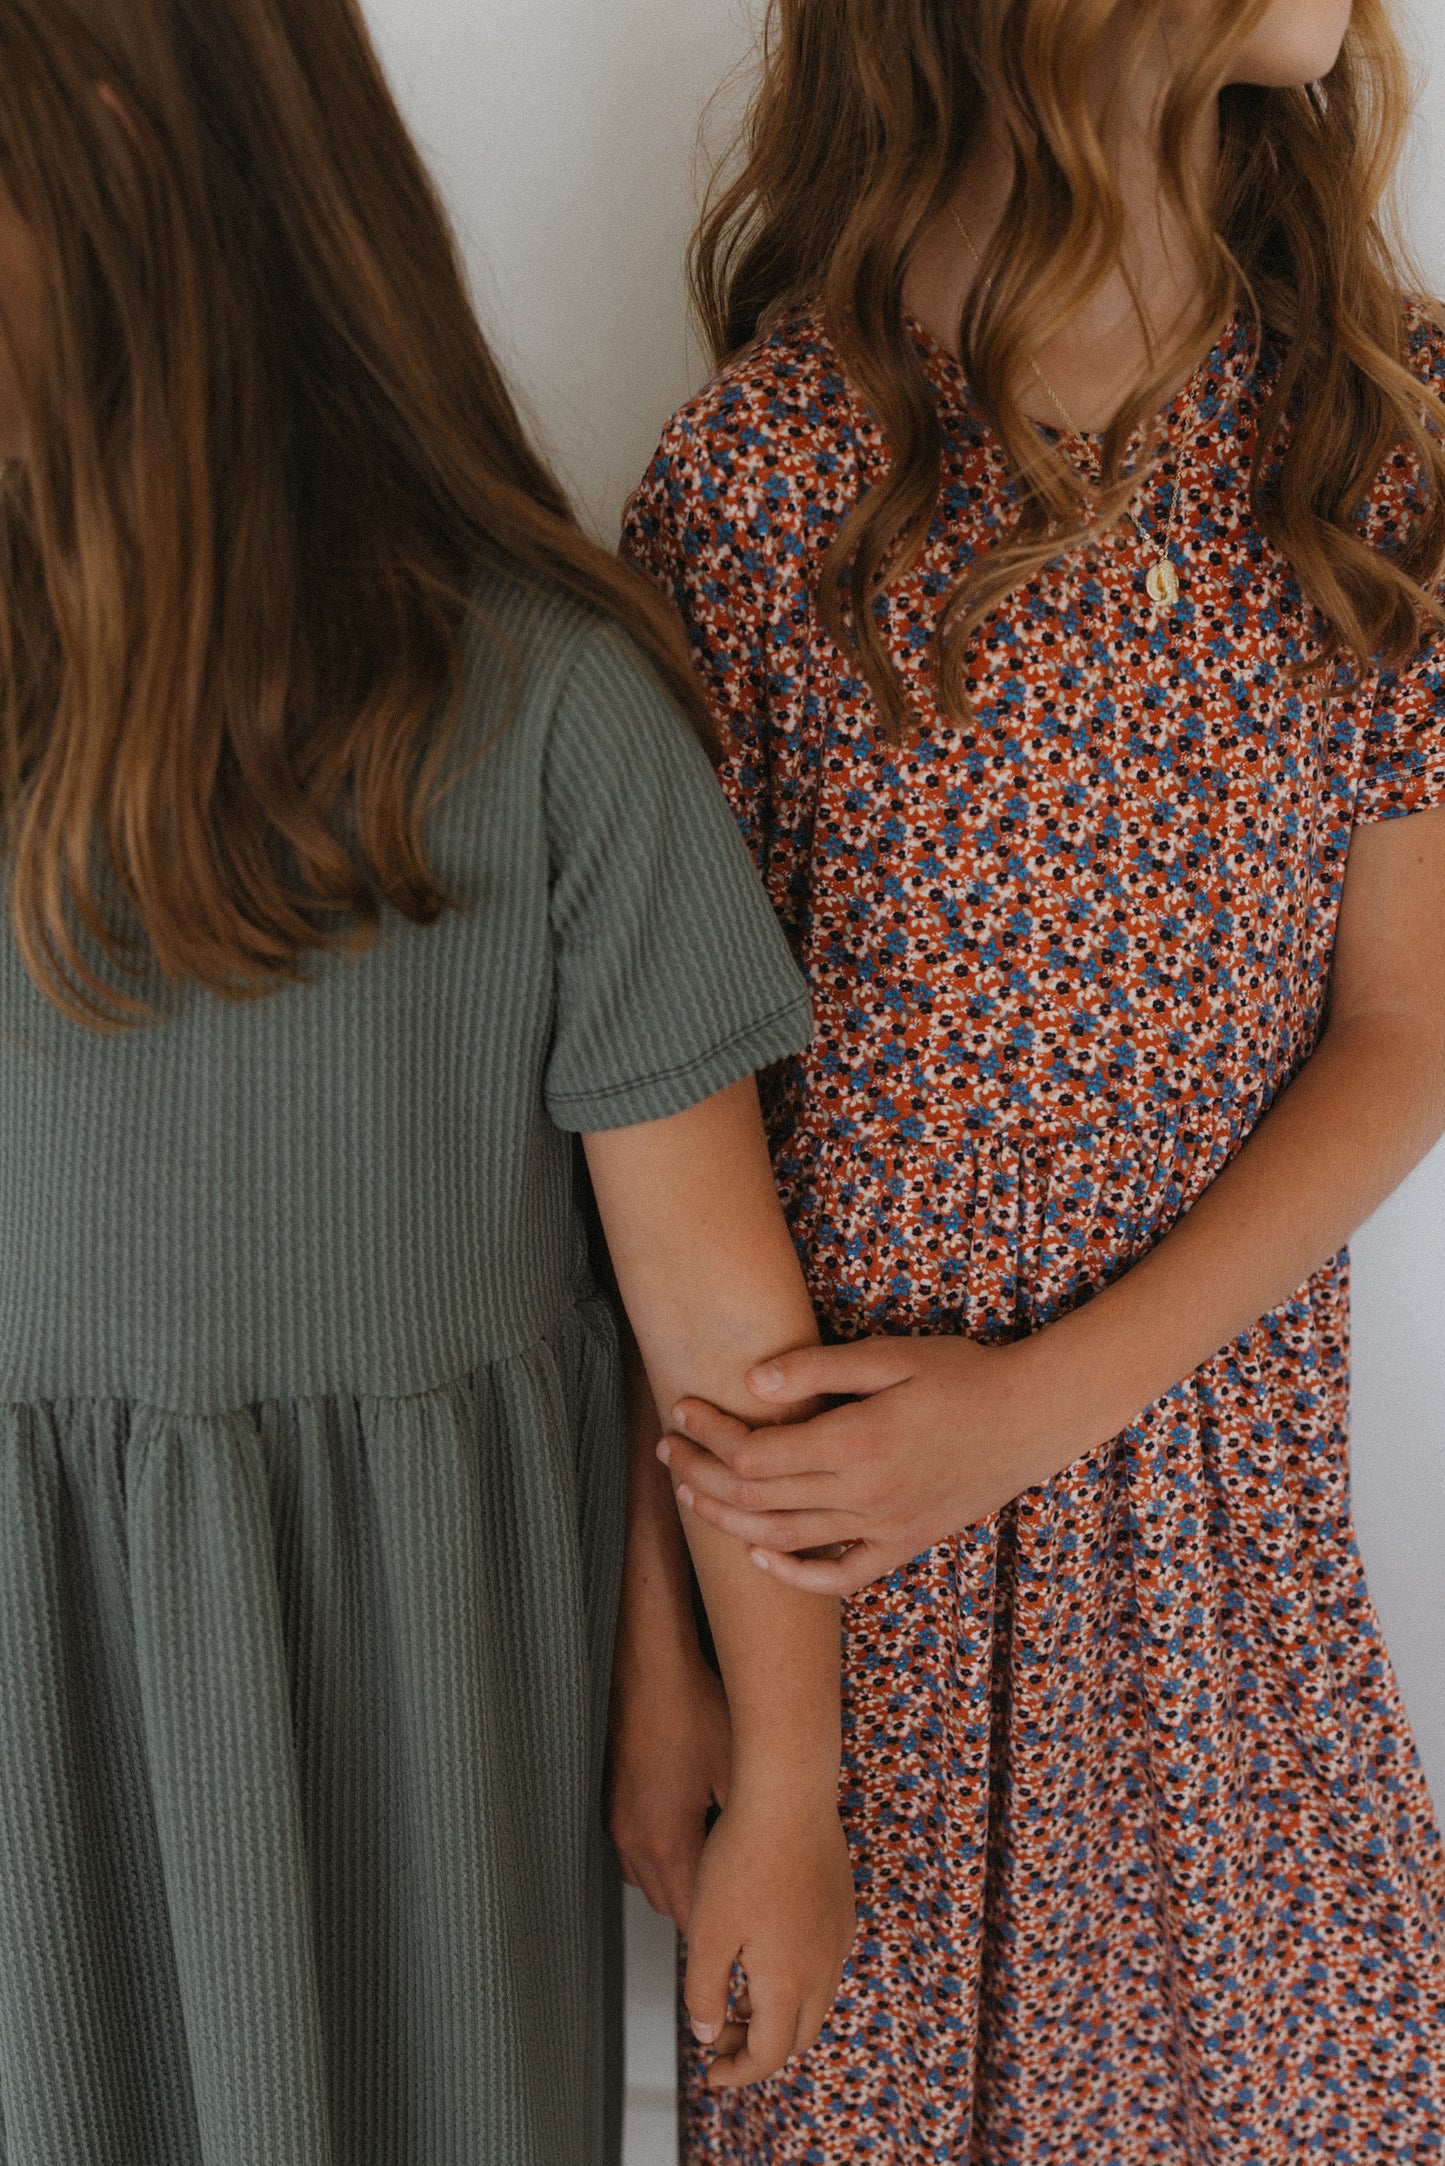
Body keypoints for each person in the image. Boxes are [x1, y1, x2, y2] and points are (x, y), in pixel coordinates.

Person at [0, 4, 856, 2163]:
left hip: (417, 1740)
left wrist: (796, 1782)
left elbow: (723, 1337)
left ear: (116, 161)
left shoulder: (552, 722)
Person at [616, 0, 1445, 2156]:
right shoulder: (762, 476)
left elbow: (1405, 1030)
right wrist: (673, 1680)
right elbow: (636, 1144)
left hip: (1213, 1533)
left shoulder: (1376, 437)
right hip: (834, 1582)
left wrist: (1041, 1406)